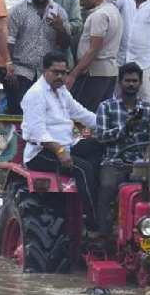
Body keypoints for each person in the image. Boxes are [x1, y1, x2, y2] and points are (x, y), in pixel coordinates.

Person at [20, 52, 102, 234]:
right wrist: (58, 150)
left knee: (101, 150)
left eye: (63, 72)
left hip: (68, 145)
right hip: (41, 152)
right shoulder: (35, 94)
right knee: (83, 168)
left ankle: (98, 203)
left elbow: (81, 113)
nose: (60, 77)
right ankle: (93, 222)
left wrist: (109, 124)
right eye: (55, 72)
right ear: (44, 70)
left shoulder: (61, 91)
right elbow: (36, 132)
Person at [95, 63, 150, 235]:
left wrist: (148, 159)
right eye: (127, 80)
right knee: (107, 187)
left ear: (140, 83)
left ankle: (147, 231)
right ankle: (103, 233)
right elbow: (100, 136)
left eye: (135, 81)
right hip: (114, 161)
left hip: (140, 163)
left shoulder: (148, 109)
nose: (131, 84)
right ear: (120, 82)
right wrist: (124, 129)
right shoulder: (106, 107)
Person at [6, 0, 71, 114]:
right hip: (21, 71)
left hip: (47, 75)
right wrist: (9, 69)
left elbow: (65, 45)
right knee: (18, 114)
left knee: (46, 114)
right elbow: (9, 42)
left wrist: (60, 28)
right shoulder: (18, 10)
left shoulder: (59, 12)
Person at [68, 0, 123, 113]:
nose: (81, 3)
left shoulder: (99, 15)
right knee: (101, 113)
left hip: (94, 73)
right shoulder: (113, 9)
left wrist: (74, 74)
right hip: (109, 71)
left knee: (85, 114)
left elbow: (93, 49)